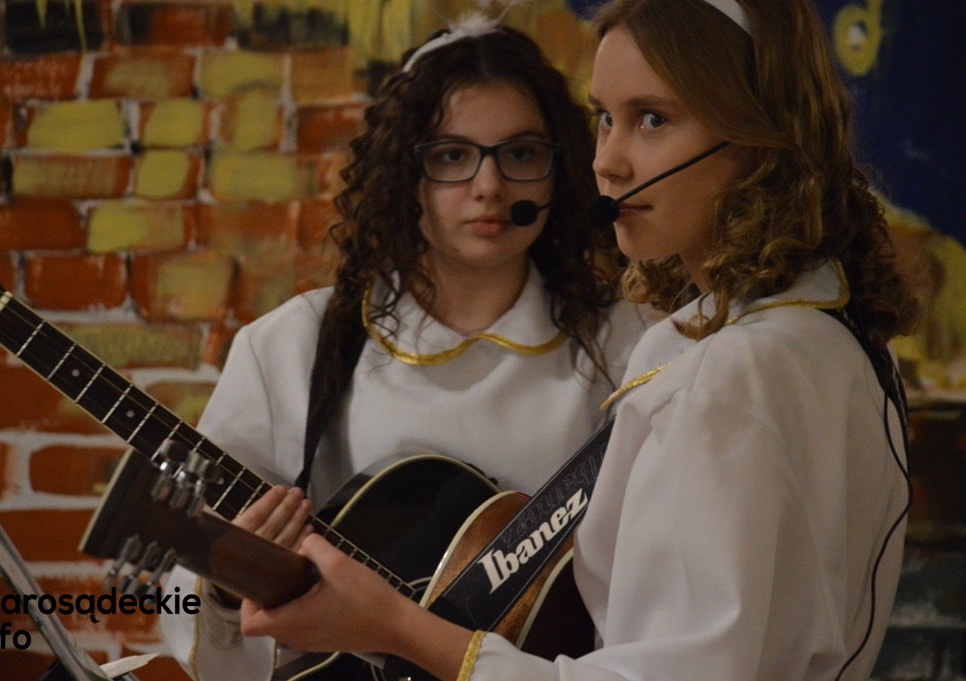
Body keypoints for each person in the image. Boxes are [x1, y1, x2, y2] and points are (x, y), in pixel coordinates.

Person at [237, 1, 922, 680]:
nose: (609, 163)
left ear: (760, 136)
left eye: (652, 119)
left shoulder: (722, 374)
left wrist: (393, 626)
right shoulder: (838, 339)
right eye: (605, 119)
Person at [161, 18, 650, 681]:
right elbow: (196, 606)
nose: (490, 187)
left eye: (520, 153)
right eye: (450, 156)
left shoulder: (630, 343)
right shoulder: (292, 346)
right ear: (403, 172)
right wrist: (227, 583)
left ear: (558, 171)